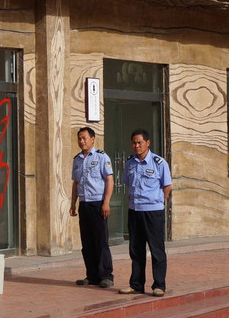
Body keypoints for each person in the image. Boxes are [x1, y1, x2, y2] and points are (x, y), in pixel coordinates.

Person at [119, 129, 172, 297]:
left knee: (156, 250)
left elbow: (167, 186)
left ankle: (159, 285)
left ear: (147, 143)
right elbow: (127, 183)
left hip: (153, 212)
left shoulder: (159, 162)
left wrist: (157, 201)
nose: (136, 146)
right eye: (134, 143)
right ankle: (136, 284)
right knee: (135, 250)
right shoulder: (129, 163)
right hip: (135, 211)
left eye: (139, 142)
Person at [70, 126, 114, 289]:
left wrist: (106, 202)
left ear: (93, 139)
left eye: (84, 138)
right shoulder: (77, 159)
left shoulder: (102, 157)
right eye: (79, 138)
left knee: (101, 240)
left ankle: (106, 275)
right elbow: (75, 183)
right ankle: (92, 275)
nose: (81, 141)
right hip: (84, 204)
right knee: (87, 242)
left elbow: (109, 180)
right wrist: (73, 204)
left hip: (98, 203)